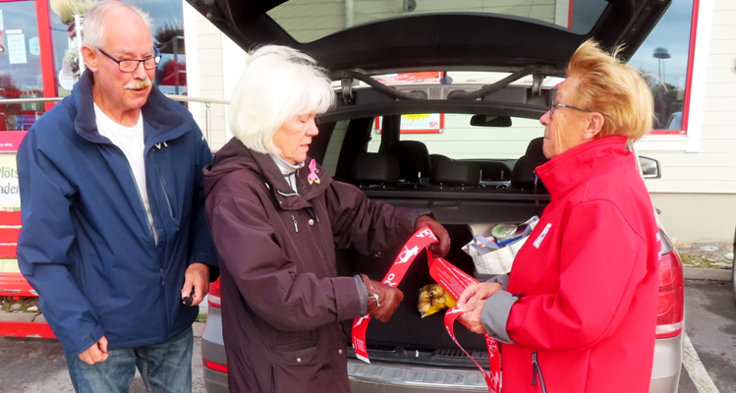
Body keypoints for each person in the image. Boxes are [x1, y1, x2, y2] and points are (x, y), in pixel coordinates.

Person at [204, 45, 451, 393]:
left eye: (314, 118)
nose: (314, 130)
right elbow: (278, 293)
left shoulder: (299, 171)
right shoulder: (236, 193)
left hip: (317, 357)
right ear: (268, 119)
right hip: (277, 374)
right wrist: (361, 293)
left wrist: (412, 225)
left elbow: (356, 214)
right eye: (302, 119)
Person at [16, 2, 217, 392]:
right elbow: (42, 253)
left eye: (148, 59)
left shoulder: (180, 125)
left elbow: (207, 202)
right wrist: (77, 326)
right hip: (101, 333)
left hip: (173, 318)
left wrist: (203, 260)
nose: (141, 75)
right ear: (90, 57)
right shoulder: (51, 141)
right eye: (126, 61)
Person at [457, 39, 660, 393]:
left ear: (591, 124)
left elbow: (579, 319)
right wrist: (502, 288)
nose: (544, 117)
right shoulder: (582, 190)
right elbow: (561, 277)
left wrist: (495, 314)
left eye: (557, 107)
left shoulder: (601, 202)